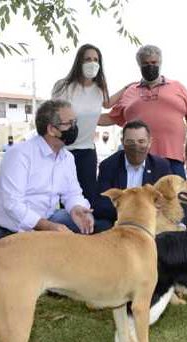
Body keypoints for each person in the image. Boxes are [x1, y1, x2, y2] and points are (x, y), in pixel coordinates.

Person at [99, 44, 187, 226]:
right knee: (145, 214)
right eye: (146, 63)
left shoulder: (178, 87)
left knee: (178, 214)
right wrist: (82, 116)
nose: (150, 66)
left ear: (160, 63)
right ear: (139, 65)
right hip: (140, 161)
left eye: (154, 62)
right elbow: (110, 116)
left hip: (172, 161)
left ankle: (181, 248)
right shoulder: (130, 92)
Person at [0, 100, 95, 241]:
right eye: (69, 123)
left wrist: (76, 208)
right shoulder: (20, 154)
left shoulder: (67, 158)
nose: (74, 127)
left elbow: (72, 193)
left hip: (42, 224)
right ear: (52, 129)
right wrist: (48, 226)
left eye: (75, 122)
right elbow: (13, 204)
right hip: (4, 229)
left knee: (96, 226)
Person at [52, 43, 129, 218]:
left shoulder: (99, 89)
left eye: (96, 60)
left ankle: (86, 237)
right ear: (79, 61)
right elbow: (53, 116)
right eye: (88, 59)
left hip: (87, 151)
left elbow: (108, 104)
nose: (92, 63)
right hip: (63, 151)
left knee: (88, 199)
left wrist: (127, 89)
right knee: (64, 200)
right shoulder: (63, 86)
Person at [95, 120, 172, 232]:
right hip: (117, 221)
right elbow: (102, 204)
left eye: (141, 141)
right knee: (101, 226)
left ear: (150, 142)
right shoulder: (108, 165)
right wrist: (129, 214)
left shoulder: (161, 166)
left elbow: (168, 200)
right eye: (130, 142)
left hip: (150, 222)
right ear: (122, 142)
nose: (136, 146)